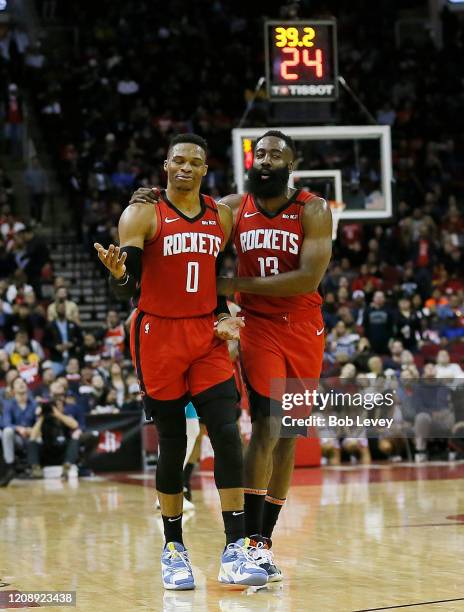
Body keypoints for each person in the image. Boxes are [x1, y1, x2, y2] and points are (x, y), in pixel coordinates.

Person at [131, 130, 332, 581]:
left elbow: (306, 280)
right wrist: (149, 196)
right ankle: (247, 544)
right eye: (259, 153)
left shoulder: (313, 209)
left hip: (304, 327)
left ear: (290, 164)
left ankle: (264, 540)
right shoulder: (231, 208)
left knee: (289, 435)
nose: (265, 160)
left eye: (275, 155)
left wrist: (231, 287)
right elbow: (186, 215)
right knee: (265, 424)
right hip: (258, 327)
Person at [95, 133, 267, 589]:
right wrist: (117, 274)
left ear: (205, 170)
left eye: (195, 162)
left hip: (206, 335)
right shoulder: (142, 212)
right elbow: (126, 281)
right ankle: (174, 549)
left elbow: (209, 274)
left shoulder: (221, 217)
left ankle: (235, 548)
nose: (186, 168)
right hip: (158, 335)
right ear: (166, 165)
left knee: (227, 434)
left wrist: (223, 314)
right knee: (173, 443)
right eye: (179, 161)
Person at [0, 376, 37, 487]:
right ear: (12, 390)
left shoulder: (34, 404)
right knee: (7, 431)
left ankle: (35, 467)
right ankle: (9, 466)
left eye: (23, 382)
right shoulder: (8, 404)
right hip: (17, 438)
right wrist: (18, 428)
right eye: (17, 383)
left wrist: (33, 429)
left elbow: (39, 421)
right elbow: (5, 423)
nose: (21, 384)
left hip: (33, 435)